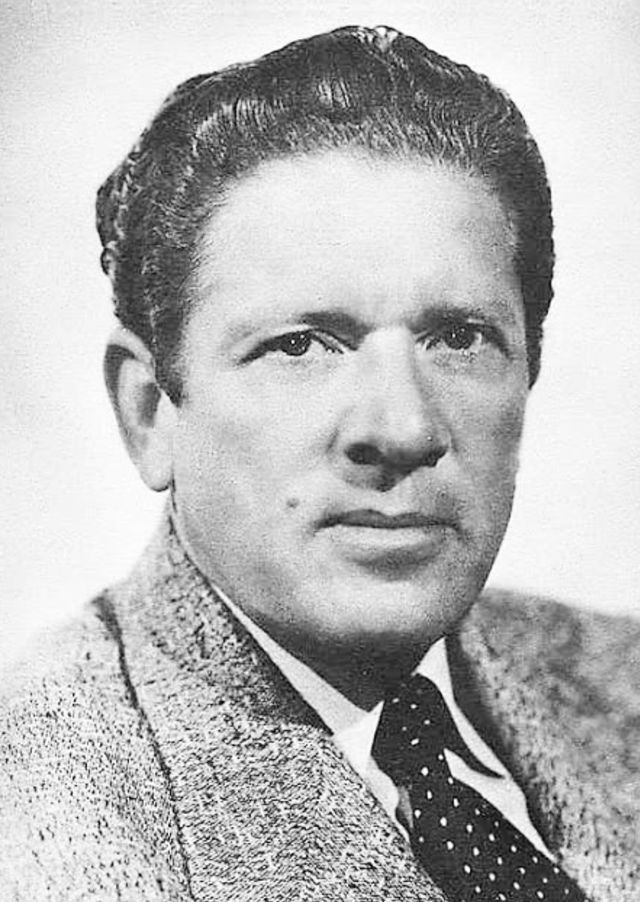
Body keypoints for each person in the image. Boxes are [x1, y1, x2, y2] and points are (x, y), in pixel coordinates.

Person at [0, 24, 638, 902]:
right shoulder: (40, 826)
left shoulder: (621, 675)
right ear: (150, 412)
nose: (403, 427)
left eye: (459, 337)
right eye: (301, 345)